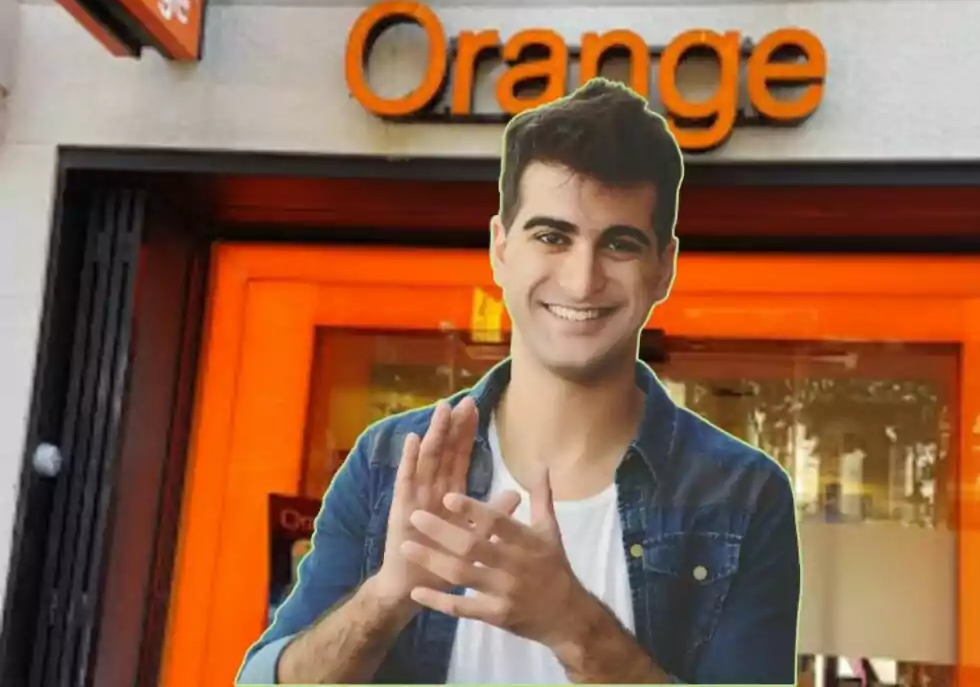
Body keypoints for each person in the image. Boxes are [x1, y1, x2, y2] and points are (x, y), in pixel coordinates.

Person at [235, 77, 802, 685]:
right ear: (500, 248)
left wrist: (572, 624)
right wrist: (389, 594)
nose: (582, 281)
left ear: (663, 268)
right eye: (552, 237)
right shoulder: (389, 462)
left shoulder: (741, 494)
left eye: (619, 244)